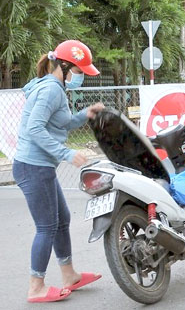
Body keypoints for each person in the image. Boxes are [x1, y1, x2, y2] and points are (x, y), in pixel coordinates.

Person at [13, 40, 105, 303]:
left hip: (40, 166)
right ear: (64, 66)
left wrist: (85, 114)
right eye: (79, 71)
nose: (81, 77)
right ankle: (36, 286)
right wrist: (66, 154)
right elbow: (34, 128)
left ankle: (69, 275)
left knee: (61, 219)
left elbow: (61, 122)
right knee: (47, 226)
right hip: (33, 167)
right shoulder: (51, 90)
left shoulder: (55, 87)